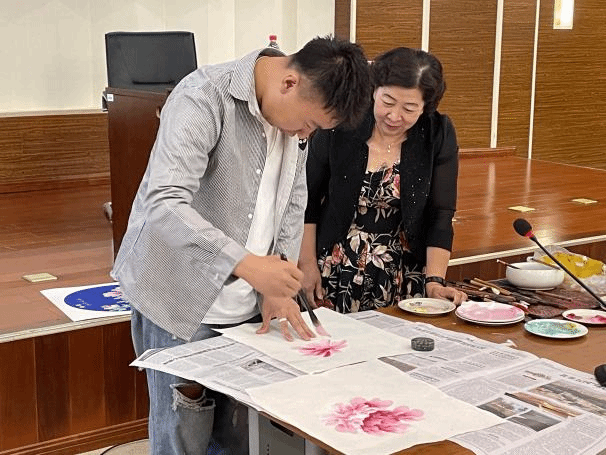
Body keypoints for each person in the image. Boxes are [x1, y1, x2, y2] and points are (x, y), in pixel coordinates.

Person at [110, 36, 371, 454]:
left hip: (245, 302)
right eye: (308, 123)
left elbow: (292, 201)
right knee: (183, 430)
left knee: (236, 431)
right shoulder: (202, 97)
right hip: (179, 295)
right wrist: (247, 265)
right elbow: (163, 203)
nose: (306, 134)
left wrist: (276, 283)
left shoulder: (292, 117)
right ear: (289, 83)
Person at [299, 47, 467, 314]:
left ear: (425, 107)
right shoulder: (342, 122)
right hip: (337, 264)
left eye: (409, 109)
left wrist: (434, 281)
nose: (394, 116)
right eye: (387, 101)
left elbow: (441, 213)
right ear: (374, 90)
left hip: (402, 270)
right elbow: (306, 200)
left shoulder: (437, 133)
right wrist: (306, 264)